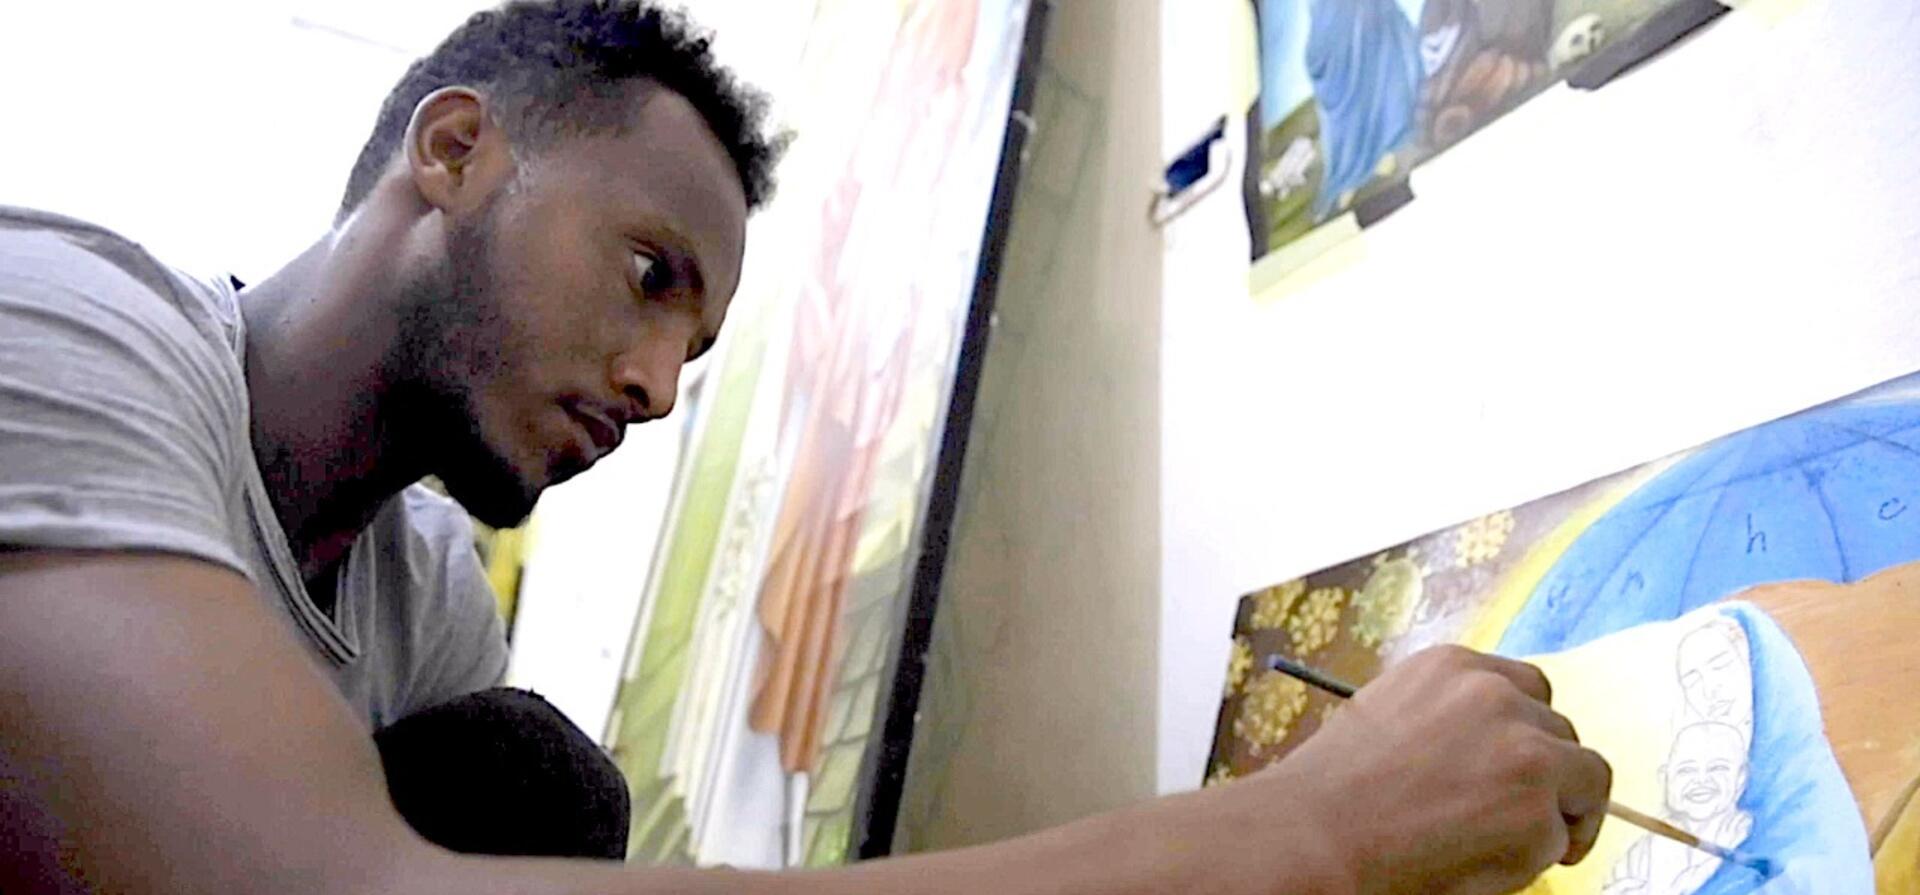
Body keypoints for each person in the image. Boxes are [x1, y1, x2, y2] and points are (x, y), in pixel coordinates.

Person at [0, 1, 1612, 893]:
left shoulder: (425, 601)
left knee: (533, 782)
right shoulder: (64, 323)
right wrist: (1308, 829)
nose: (654, 386)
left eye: (697, 352)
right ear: (457, 149)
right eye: (649, 276)